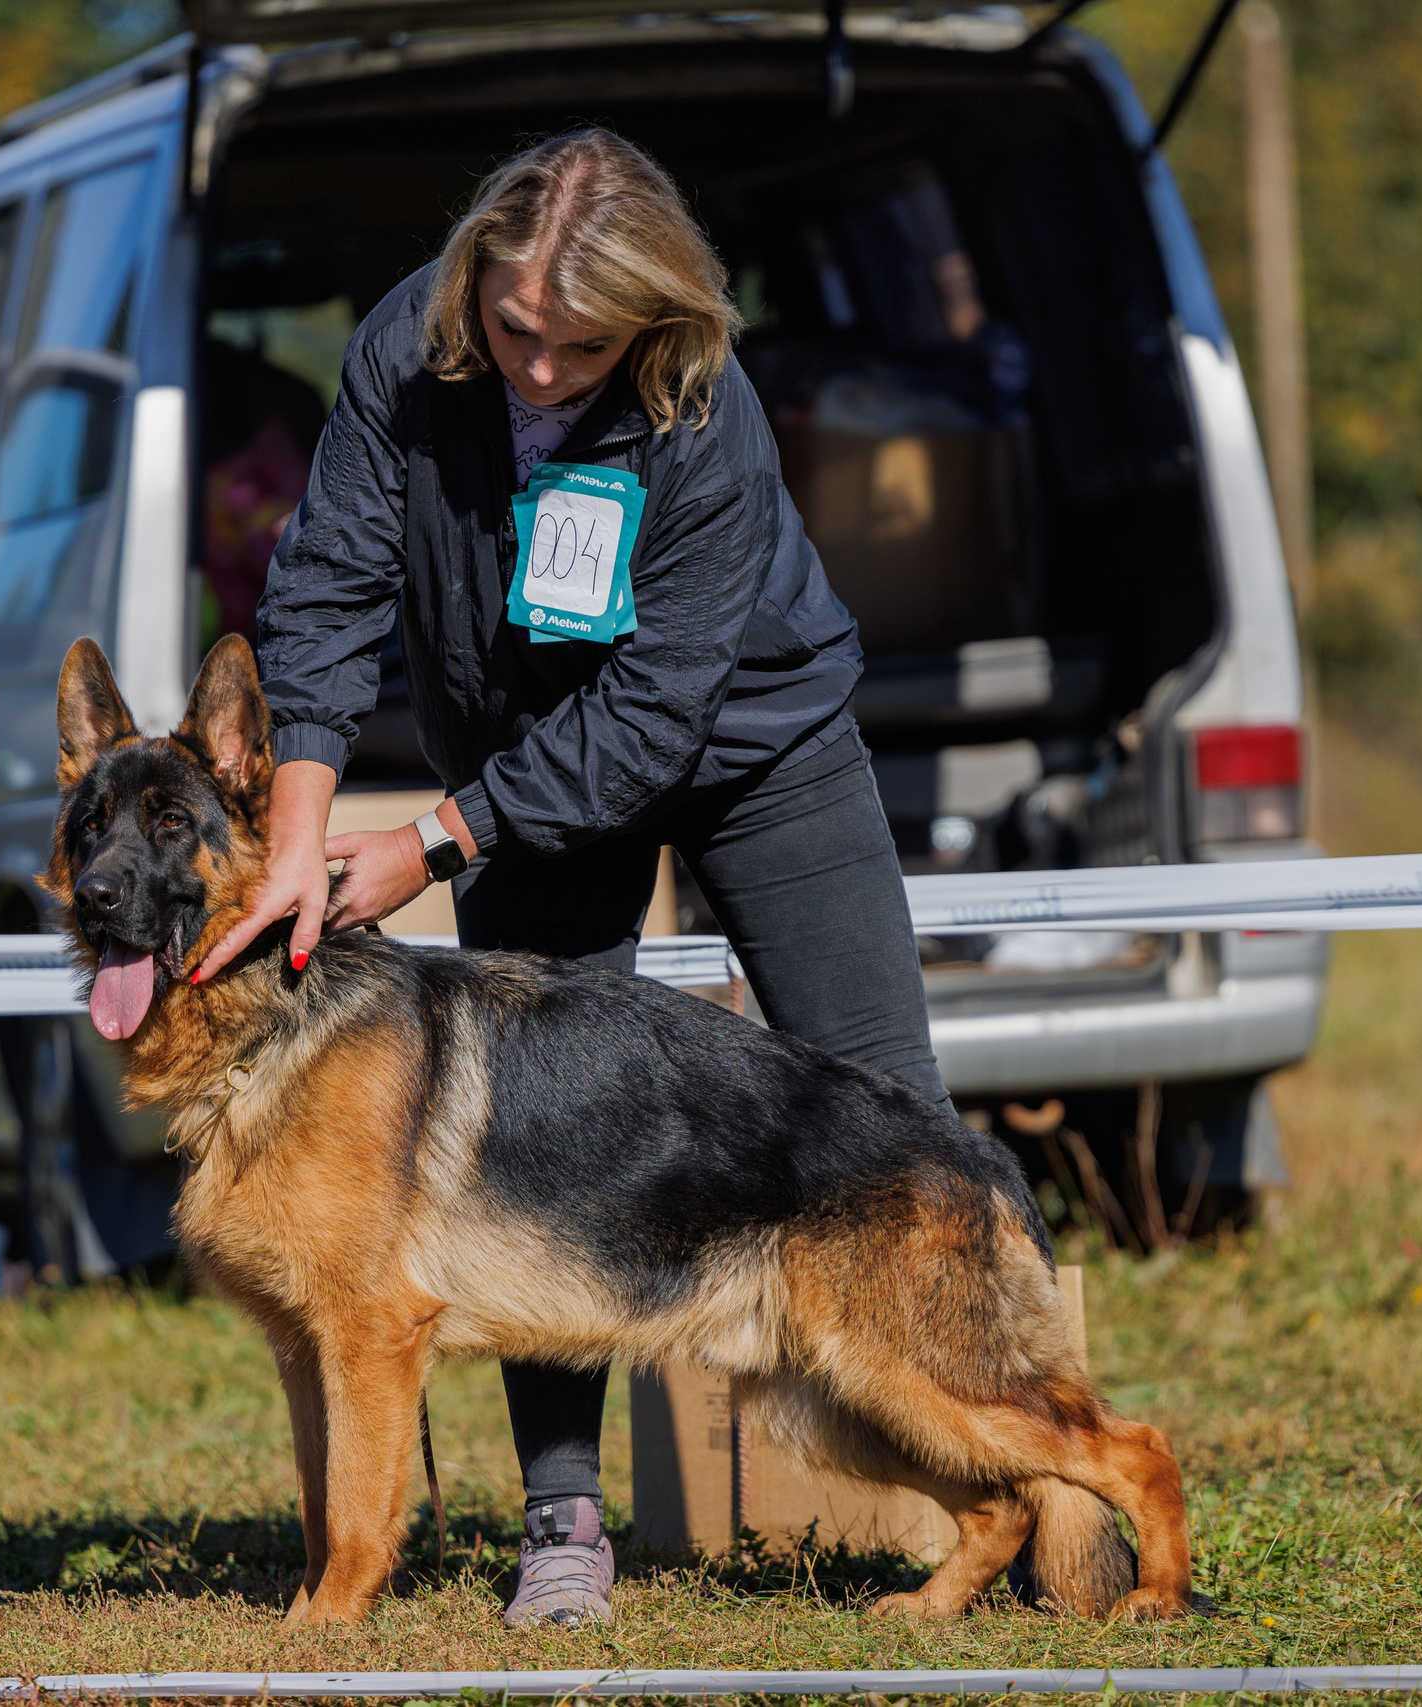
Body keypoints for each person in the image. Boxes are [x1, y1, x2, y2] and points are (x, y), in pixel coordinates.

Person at [194, 129, 953, 1630]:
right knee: (543, 1138)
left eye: (580, 345)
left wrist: (428, 839)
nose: (538, 368)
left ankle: (1016, 1471)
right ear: (475, 280)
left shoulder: (706, 405)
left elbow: (657, 718)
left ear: (654, 327)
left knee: (889, 1105)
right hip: (520, 751)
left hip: (755, 743)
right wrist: (298, 823)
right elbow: (329, 583)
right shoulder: (406, 348)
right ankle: (565, 1527)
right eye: (514, 328)